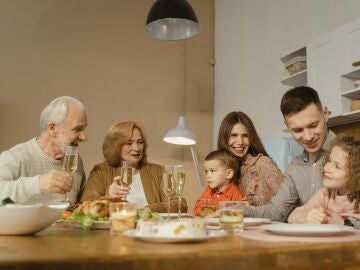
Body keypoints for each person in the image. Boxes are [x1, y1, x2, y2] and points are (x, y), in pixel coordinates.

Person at [240, 86, 337, 222]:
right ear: (286, 125)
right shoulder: (294, 168)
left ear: (325, 114)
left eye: (313, 125)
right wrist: (237, 210)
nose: (308, 137)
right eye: (298, 130)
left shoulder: (352, 155)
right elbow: (276, 211)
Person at [81, 121, 188, 213]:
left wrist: (149, 209)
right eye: (129, 143)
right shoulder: (101, 171)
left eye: (140, 142)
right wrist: (108, 196)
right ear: (115, 146)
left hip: (148, 231)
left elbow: (180, 204)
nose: (136, 148)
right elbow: (85, 206)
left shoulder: (158, 171)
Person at [0, 96, 88, 205]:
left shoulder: (75, 161)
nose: (84, 137)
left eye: (84, 129)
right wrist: (38, 184)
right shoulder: (15, 158)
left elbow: (83, 205)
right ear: (52, 128)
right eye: (77, 129)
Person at [288, 135, 360, 228]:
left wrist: (342, 223)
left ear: (357, 174)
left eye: (337, 166)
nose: (326, 168)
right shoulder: (326, 193)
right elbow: (292, 217)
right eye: (329, 161)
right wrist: (307, 217)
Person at [217, 111, 283, 206]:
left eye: (245, 136)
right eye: (233, 135)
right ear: (224, 138)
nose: (240, 142)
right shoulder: (222, 169)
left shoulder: (262, 163)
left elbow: (290, 203)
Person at [193, 149, 246, 216]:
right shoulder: (209, 190)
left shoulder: (235, 193)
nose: (208, 176)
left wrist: (210, 210)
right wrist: (217, 211)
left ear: (228, 174)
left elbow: (240, 213)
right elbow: (196, 209)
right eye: (206, 171)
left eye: (212, 171)